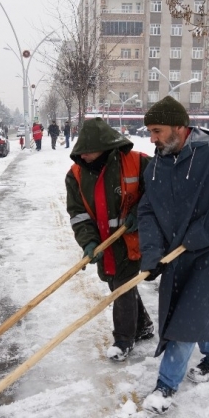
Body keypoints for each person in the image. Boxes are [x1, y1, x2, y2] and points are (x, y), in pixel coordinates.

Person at [137, 96, 209, 414]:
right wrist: (150, 253)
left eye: (157, 130)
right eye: (150, 131)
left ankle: (165, 387)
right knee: (195, 312)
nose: (152, 138)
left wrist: (200, 234)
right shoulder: (159, 162)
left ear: (180, 127)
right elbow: (147, 210)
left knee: (187, 318)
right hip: (177, 253)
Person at [65, 117, 155, 362]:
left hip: (132, 240)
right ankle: (144, 325)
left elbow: (158, 191)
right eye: (80, 151)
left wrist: (140, 212)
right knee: (119, 285)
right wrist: (88, 242)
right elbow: (78, 214)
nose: (83, 156)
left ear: (105, 147)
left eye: (89, 151)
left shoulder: (138, 163)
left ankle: (123, 340)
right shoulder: (75, 175)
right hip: (105, 242)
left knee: (121, 287)